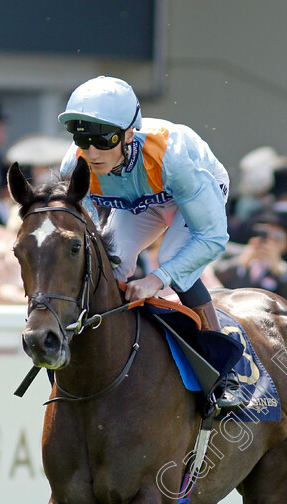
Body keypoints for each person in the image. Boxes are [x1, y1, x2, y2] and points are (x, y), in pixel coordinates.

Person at [58, 75, 246, 410]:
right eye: (82, 139)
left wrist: (155, 280)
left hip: (190, 190)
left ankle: (222, 371)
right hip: (141, 202)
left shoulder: (172, 157)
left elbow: (213, 237)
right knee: (112, 260)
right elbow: (87, 242)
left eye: (104, 139)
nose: (92, 152)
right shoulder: (76, 165)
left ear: (129, 134)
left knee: (172, 256)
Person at [214, 206, 287, 305]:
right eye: (264, 233)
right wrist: (242, 263)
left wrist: (280, 271)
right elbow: (212, 277)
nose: (270, 241)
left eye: (278, 236)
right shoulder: (231, 253)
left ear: (286, 244)